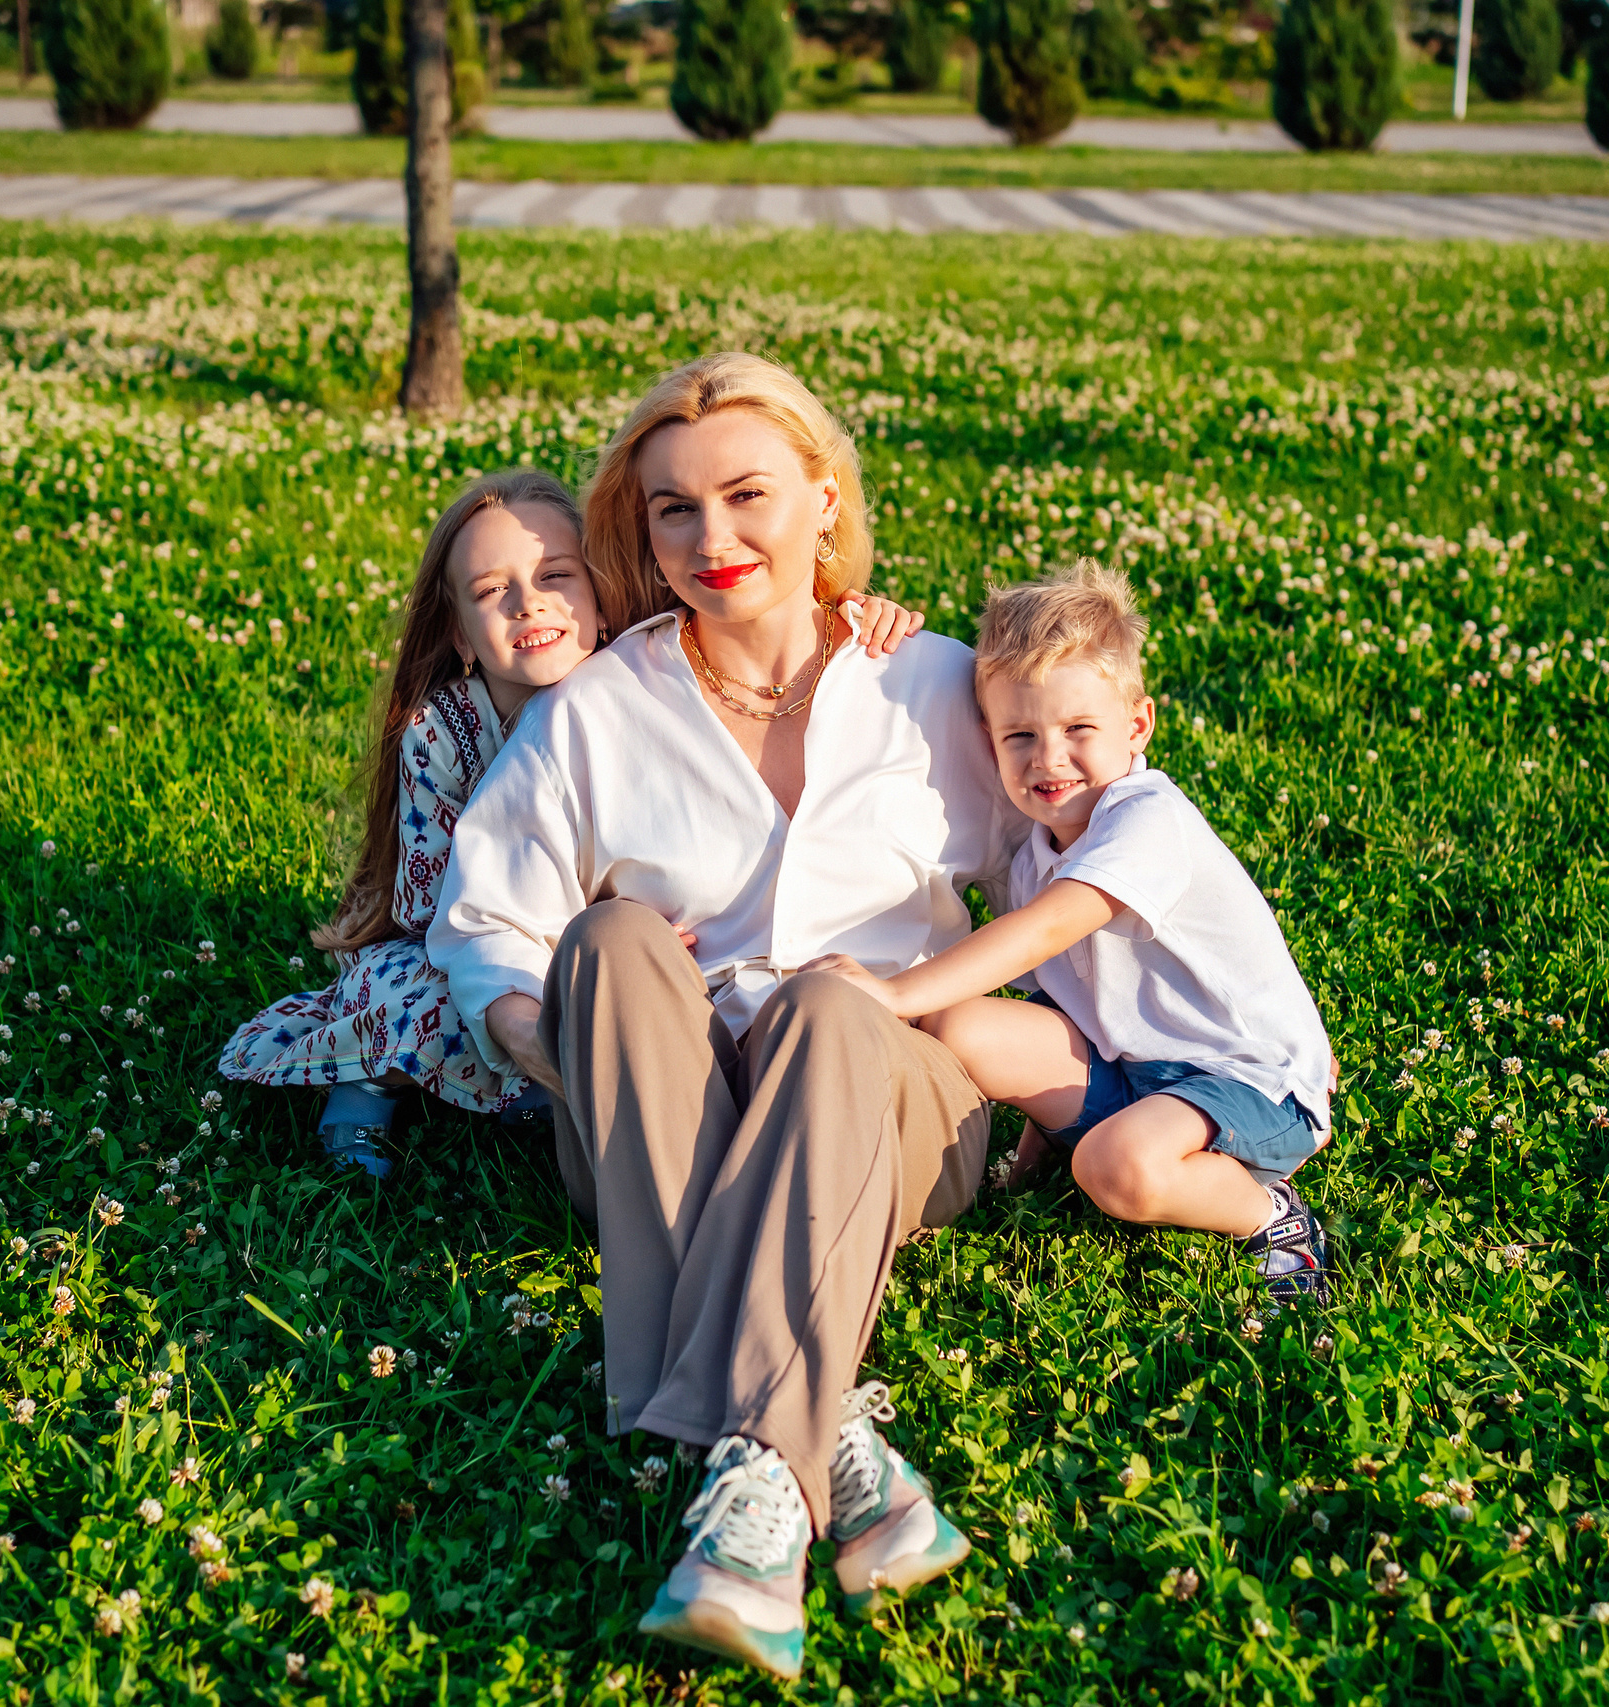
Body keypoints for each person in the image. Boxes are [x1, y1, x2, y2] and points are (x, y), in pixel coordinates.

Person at [428, 355, 1027, 1679]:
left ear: (824, 498)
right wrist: (549, 1046)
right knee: (612, 937)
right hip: (670, 1125)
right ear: (638, 534)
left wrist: (1093, 1078)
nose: (715, 539)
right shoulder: (601, 710)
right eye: (673, 512)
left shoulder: (932, 685)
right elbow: (482, 923)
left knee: (827, 1001)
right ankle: (814, 1443)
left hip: (894, 1115)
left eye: (750, 495)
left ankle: (750, 1476)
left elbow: (1079, 874)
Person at [216, 467, 928, 1178]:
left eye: (556, 575)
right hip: (486, 953)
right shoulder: (446, 731)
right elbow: (434, 911)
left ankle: (555, 1085)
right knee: (412, 990)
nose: (529, 605)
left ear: (602, 598)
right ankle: (377, 1076)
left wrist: (848, 611)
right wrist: (570, 949)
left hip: (658, 960)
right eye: (492, 591)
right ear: (460, 633)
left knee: (679, 997)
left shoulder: (650, 691)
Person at [803, 561, 1337, 1302]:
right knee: (960, 1024)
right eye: (1019, 734)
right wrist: (1026, 1168)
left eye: (1078, 728)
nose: (1048, 757)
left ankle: (1270, 1213)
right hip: (1136, 1069)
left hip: (1250, 1082)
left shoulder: (1147, 820)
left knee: (1117, 1167)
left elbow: (1042, 932)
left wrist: (891, 993)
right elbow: (1066, 1010)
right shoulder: (1034, 854)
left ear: (1137, 724)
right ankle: (1077, 1150)